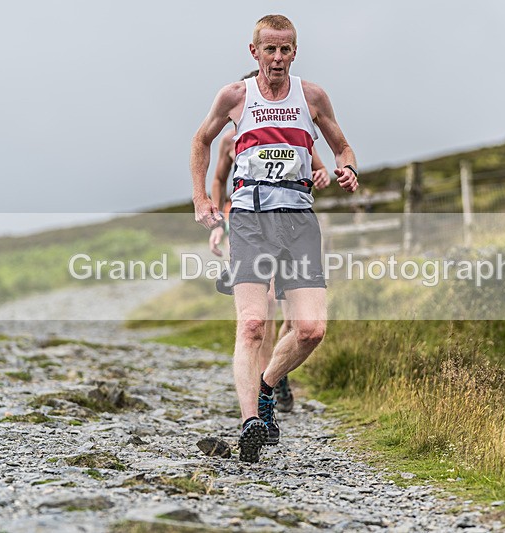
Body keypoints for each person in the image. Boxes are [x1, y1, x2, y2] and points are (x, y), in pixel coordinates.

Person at [190, 14, 358, 462]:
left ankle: (267, 386)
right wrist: (202, 200)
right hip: (249, 220)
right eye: (270, 49)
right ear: (255, 52)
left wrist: (346, 168)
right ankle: (250, 422)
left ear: (295, 52)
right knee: (252, 323)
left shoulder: (313, 97)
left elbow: (341, 147)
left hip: (299, 222)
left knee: (310, 330)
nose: (278, 57)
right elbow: (200, 140)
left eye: (285, 49)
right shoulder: (234, 97)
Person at [208, 71, 331, 415]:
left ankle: (275, 376)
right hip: (247, 220)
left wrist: (322, 174)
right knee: (261, 311)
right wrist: (217, 223)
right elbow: (218, 180)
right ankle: (265, 385)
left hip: (290, 223)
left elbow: (316, 165)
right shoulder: (229, 140)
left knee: (293, 316)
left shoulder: (291, 130)